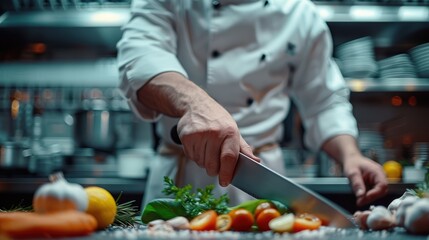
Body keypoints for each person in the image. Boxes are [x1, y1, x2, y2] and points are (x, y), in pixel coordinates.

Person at [117, 0, 388, 208]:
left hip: (260, 181)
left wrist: (350, 155)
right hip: (180, 180)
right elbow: (140, 57)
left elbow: (324, 101)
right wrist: (195, 103)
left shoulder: (299, 13)